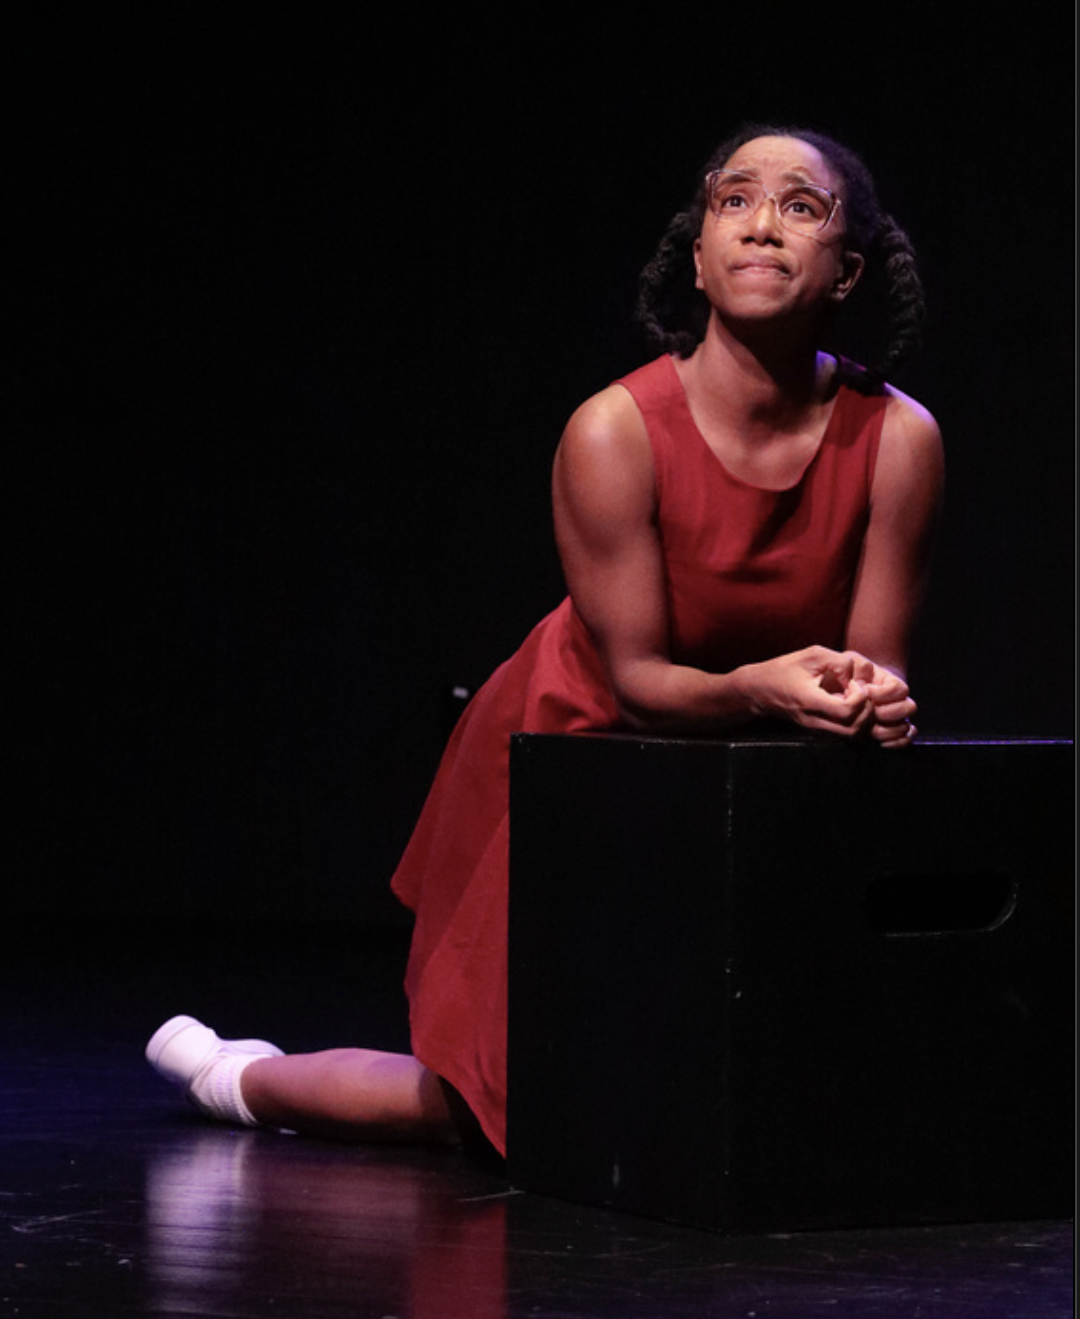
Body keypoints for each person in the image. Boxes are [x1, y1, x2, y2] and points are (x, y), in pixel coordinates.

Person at [147, 124, 945, 1159]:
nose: (761, 225)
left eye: (802, 206)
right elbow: (638, 681)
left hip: (761, 767)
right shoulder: (614, 431)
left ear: (847, 270)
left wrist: (871, 698)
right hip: (582, 748)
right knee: (515, 1107)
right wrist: (765, 689)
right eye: (734, 199)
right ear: (698, 256)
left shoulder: (898, 438)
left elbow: (878, 661)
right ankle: (237, 1076)